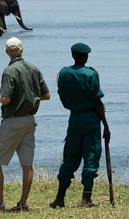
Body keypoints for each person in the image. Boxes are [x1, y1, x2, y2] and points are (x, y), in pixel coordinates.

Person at [0, 37, 50, 213]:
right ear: (22, 50)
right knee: (27, 163)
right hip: (29, 120)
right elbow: (46, 95)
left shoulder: (9, 70)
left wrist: (6, 100)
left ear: (6, 52)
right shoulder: (33, 68)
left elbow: (5, 99)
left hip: (12, 120)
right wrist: (31, 97)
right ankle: (23, 203)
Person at [49, 43, 111, 208]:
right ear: (84, 56)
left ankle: (60, 198)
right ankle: (86, 199)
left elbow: (62, 94)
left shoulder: (63, 73)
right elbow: (97, 102)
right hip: (91, 119)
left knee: (70, 157)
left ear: (73, 55)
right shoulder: (91, 74)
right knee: (91, 157)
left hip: (74, 119)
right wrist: (106, 125)